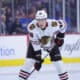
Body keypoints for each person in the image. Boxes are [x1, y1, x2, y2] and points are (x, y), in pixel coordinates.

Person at [19, 10, 69, 80]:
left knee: (59, 64)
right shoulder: (31, 27)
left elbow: (63, 24)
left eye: (42, 20)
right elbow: (35, 45)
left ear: (46, 19)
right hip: (36, 43)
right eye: (39, 20)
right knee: (29, 62)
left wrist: (60, 37)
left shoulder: (53, 24)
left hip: (50, 42)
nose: (40, 22)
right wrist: (38, 60)